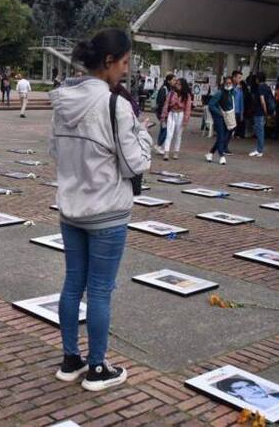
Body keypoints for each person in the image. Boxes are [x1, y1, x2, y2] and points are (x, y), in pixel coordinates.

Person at [49, 28, 152, 392]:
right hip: (107, 210)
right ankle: (97, 369)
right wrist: (143, 133)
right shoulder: (116, 105)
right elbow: (133, 164)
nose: (126, 70)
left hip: (71, 208)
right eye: (124, 62)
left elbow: (56, 152)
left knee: (72, 283)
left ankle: (69, 360)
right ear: (109, 62)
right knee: (101, 290)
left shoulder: (62, 100)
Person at [159, 77, 191, 160]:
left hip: (181, 114)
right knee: (169, 134)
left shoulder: (187, 95)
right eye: (176, 84)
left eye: (179, 84)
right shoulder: (171, 93)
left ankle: (176, 152)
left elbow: (188, 108)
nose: (177, 85)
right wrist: (163, 116)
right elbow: (166, 104)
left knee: (178, 134)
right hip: (171, 114)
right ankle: (166, 152)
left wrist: (185, 120)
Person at [206, 77, 235, 165]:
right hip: (219, 118)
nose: (228, 85)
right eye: (227, 83)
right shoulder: (220, 93)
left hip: (228, 117)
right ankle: (221, 156)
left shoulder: (231, 93)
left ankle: (210, 153)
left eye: (230, 83)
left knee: (222, 137)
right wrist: (220, 113)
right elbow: (211, 105)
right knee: (221, 136)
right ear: (224, 83)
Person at [215, 377, 279, 410]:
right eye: (241, 388)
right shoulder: (249, 408)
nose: (251, 389)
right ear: (233, 393)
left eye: (250, 385)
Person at [249, 72, 272, 157]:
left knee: (259, 131)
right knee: (260, 130)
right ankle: (259, 149)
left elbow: (262, 101)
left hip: (259, 112)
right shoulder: (267, 87)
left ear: (258, 79)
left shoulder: (260, 87)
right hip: (262, 112)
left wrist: (265, 111)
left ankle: (259, 150)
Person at [153, 73, 175, 154]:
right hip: (163, 114)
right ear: (169, 81)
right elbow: (161, 102)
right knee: (166, 130)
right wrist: (164, 114)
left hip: (164, 113)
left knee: (163, 129)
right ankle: (158, 145)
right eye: (173, 80)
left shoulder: (169, 89)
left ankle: (158, 146)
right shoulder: (164, 89)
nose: (174, 81)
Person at [231, 70, 245, 140]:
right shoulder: (230, 86)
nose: (240, 79)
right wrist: (236, 89)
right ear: (234, 78)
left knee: (236, 127)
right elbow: (230, 96)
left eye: (240, 78)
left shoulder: (240, 89)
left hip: (237, 111)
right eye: (239, 78)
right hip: (230, 111)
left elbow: (241, 101)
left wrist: (242, 112)